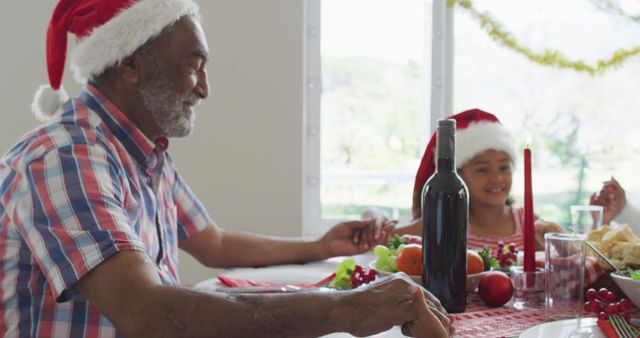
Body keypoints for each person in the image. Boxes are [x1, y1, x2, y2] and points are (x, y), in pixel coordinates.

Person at [0, 1, 453, 337]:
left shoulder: (140, 153)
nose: (204, 89)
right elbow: (146, 311)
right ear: (131, 63)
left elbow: (214, 244)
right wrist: (345, 310)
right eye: (194, 65)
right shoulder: (66, 157)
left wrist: (318, 244)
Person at [389, 109, 561, 251]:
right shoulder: (444, 223)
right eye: (483, 170)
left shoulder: (528, 223)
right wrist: (373, 217)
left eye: (504, 167)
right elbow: (382, 238)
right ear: (459, 175)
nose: (497, 178)